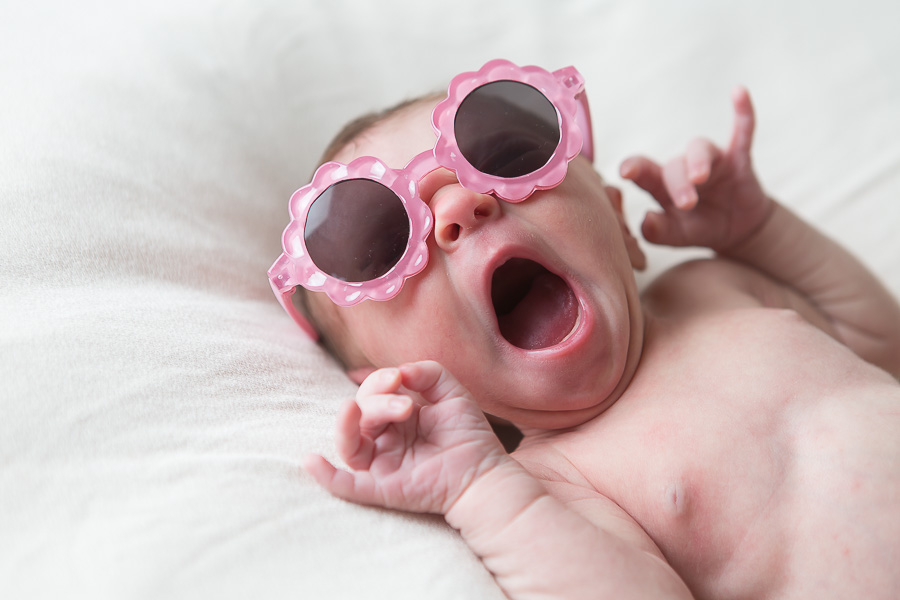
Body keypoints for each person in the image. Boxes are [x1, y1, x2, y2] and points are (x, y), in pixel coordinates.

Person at [278, 60, 900, 599]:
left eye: (506, 157)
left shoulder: (713, 290)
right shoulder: (556, 486)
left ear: (622, 226)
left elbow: (877, 340)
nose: (462, 205)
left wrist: (763, 232)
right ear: (398, 384)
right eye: (383, 243)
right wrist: (479, 490)